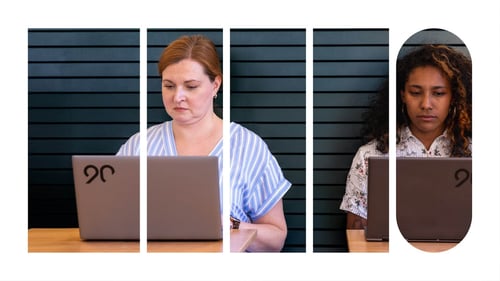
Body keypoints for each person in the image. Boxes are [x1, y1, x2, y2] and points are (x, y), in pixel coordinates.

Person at [116, 34, 291, 252]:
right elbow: (112, 222)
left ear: (215, 84)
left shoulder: (248, 148)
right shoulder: (138, 146)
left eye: (190, 86)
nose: (177, 96)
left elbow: (276, 239)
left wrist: (231, 225)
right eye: (169, 85)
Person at [340, 44, 472, 229]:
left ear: (453, 98)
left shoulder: (474, 154)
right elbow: (356, 233)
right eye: (416, 93)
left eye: (439, 93)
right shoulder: (370, 155)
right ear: (402, 95)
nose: (426, 104)